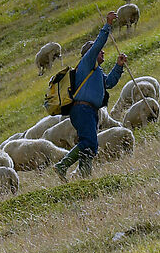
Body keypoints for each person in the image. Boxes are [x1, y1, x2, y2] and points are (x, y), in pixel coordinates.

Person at [54, 18, 129, 181]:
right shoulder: (86, 63)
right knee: (89, 140)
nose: (103, 52)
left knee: (91, 144)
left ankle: (85, 176)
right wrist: (108, 25)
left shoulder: (96, 71)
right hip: (82, 109)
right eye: (100, 51)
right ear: (91, 53)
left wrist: (119, 66)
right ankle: (62, 165)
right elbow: (97, 45)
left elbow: (109, 82)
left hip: (90, 111)